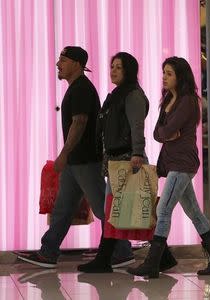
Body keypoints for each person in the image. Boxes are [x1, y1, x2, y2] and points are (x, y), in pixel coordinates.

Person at [17, 46, 134, 269]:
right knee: (63, 207)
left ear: (77, 64)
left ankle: (123, 251)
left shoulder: (81, 89)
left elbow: (79, 123)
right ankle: (48, 252)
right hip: (76, 162)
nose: (58, 64)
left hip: (85, 160)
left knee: (101, 207)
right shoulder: (76, 88)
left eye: (63, 59)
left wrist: (64, 154)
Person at [127, 56, 210, 278]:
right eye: (164, 72)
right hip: (174, 162)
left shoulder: (188, 101)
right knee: (193, 211)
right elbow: (158, 133)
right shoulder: (168, 100)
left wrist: (168, 132)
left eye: (169, 73)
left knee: (163, 210)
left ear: (180, 77)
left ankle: (152, 263)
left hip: (182, 162)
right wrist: (169, 133)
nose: (164, 76)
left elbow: (165, 130)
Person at [77, 52, 176, 273]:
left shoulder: (132, 96)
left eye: (119, 67)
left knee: (127, 210)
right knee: (120, 210)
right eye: (112, 66)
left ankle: (105, 259)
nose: (113, 70)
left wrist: (137, 154)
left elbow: (136, 127)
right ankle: (164, 257)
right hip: (117, 160)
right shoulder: (116, 95)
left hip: (129, 160)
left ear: (129, 71)